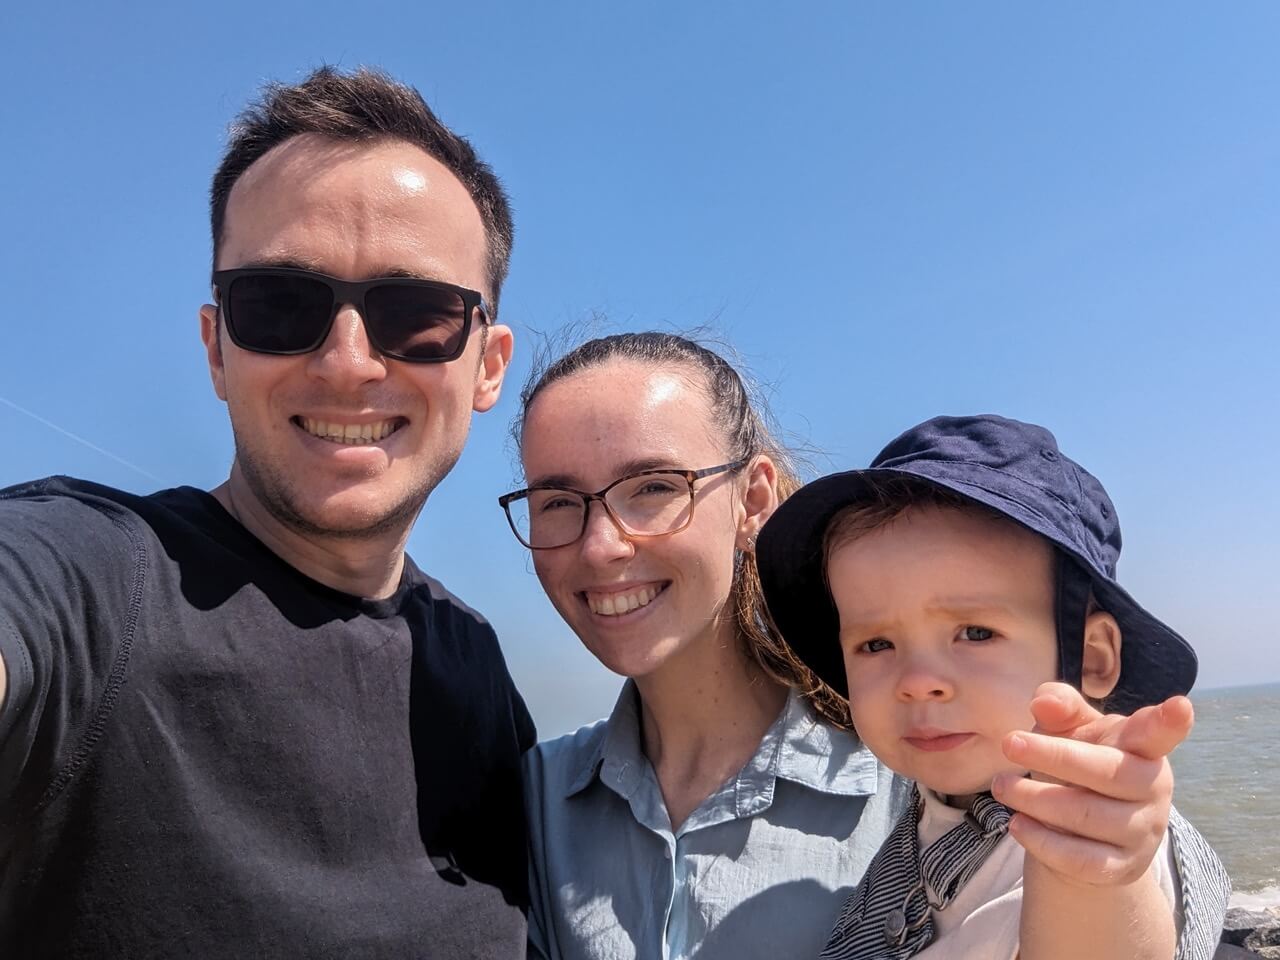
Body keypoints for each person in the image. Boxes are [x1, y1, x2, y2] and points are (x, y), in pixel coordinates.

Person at [0, 67, 534, 957]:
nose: (348, 361)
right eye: (281, 304)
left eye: (418, 313)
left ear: (487, 365)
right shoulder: (97, 578)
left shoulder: (473, 663)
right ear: (216, 349)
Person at [504, 335, 1228, 960]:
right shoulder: (532, 795)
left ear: (755, 499)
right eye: (557, 502)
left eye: (654, 486)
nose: (601, 546)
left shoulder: (942, 765)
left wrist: (1108, 863)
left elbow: (1117, 874)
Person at [756, 414, 1232, 960]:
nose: (917, 683)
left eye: (975, 633)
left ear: (1093, 658)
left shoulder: (1093, 822)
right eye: (876, 645)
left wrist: (1093, 877)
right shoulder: (925, 817)